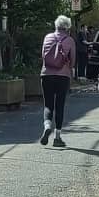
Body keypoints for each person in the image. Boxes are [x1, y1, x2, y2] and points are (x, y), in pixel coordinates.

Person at [39, 15, 76, 148]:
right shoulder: (70, 40)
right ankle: (57, 137)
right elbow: (72, 61)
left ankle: (47, 125)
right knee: (60, 105)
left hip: (46, 74)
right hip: (63, 76)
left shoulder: (47, 37)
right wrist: (67, 68)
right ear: (67, 28)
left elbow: (43, 55)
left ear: (56, 26)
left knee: (48, 104)